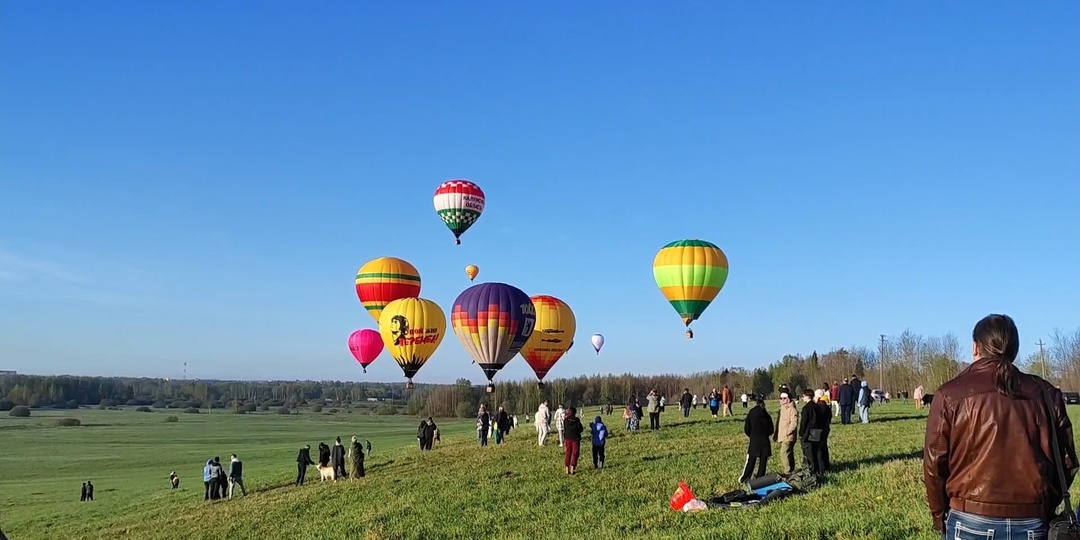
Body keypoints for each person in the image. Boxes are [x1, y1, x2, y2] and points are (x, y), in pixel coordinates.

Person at [924, 314, 1078, 537]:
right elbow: (1067, 461)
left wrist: (939, 516)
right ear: (1014, 350)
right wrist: (1043, 504)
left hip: (969, 519)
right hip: (1031, 521)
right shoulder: (1045, 393)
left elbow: (934, 464)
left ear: (975, 347)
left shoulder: (949, 394)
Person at [740, 397, 774, 483]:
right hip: (765, 440)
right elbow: (771, 429)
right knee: (763, 461)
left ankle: (746, 477)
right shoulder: (767, 415)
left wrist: (751, 435)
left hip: (754, 440)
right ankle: (760, 478)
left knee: (751, 460)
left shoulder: (751, 414)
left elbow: (747, 428)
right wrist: (765, 434)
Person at [773, 392, 798, 474]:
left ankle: (787, 471)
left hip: (788, 436)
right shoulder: (782, 409)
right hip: (782, 435)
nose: (782, 400)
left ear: (788, 399)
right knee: (789, 454)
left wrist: (788, 431)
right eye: (781, 398)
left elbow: (794, 423)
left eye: (784, 398)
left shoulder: (792, 409)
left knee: (784, 453)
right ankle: (791, 470)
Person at [798, 389, 821, 474]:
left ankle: (812, 470)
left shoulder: (806, 408)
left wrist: (801, 433)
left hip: (809, 432)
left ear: (807, 396)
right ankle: (817, 469)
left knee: (809, 452)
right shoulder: (817, 406)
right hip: (817, 431)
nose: (802, 398)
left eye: (803, 396)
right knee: (816, 451)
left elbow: (804, 422)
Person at [562, 407, 584, 475]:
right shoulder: (577, 420)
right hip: (575, 438)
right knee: (575, 453)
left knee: (568, 453)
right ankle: (572, 467)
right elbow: (580, 429)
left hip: (567, 438)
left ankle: (566, 467)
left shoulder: (565, 420)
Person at [813, 389, 832, 472]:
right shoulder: (826, 405)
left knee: (819, 448)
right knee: (824, 447)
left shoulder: (820, 406)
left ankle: (821, 467)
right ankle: (826, 464)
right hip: (826, 428)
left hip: (820, 429)